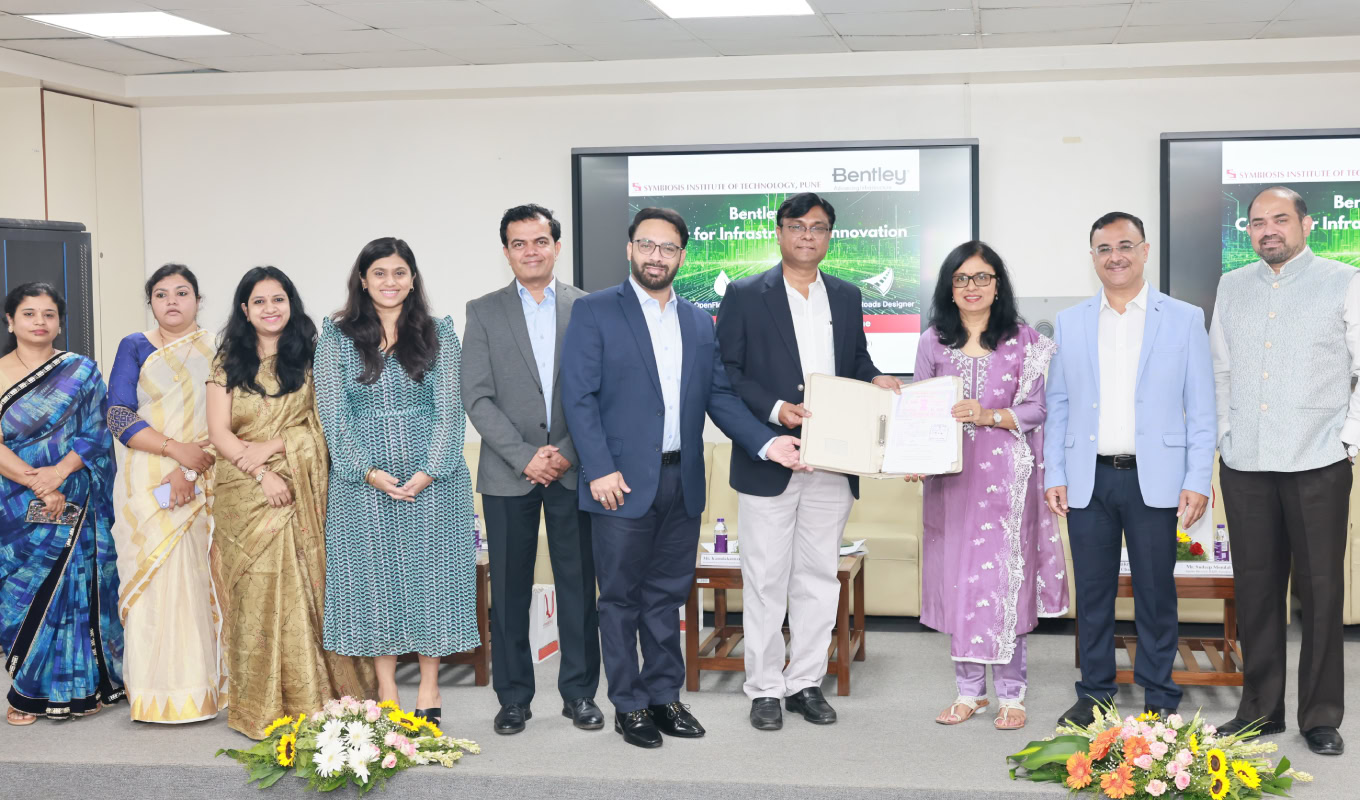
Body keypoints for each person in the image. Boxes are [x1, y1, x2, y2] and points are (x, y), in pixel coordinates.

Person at [560, 207, 807, 749]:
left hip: (682, 480)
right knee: (620, 599)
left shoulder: (699, 320)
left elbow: (719, 396)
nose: (656, 256)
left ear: (682, 256)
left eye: (668, 248)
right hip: (619, 481)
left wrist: (767, 441)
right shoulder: (595, 311)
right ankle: (628, 704)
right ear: (630, 249)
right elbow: (576, 397)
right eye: (646, 245)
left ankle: (663, 695)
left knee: (668, 597)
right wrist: (599, 467)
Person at [714, 192, 902, 731]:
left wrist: (877, 379)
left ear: (829, 236)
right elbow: (728, 373)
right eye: (797, 226)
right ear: (779, 232)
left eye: (818, 228)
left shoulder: (845, 295)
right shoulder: (746, 294)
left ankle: (805, 684)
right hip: (771, 458)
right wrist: (776, 411)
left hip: (834, 459)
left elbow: (857, 359)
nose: (807, 236)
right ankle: (765, 689)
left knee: (820, 577)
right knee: (766, 579)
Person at [1044, 212, 1214, 728]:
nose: (1114, 256)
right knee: (1093, 593)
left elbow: (1202, 407)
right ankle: (1095, 692)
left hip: (1156, 478)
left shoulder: (1183, 318)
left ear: (1144, 251)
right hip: (1087, 477)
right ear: (1092, 256)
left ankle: (1160, 693)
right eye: (1102, 248)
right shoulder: (1070, 322)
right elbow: (1059, 403)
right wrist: (1055, 471)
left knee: (1155, 592)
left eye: (1124, 245)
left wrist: (1197, 478)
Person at [1210, 186, 1358, 756]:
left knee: (1321, 594)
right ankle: (1260, 711)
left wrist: (1348, 439)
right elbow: (1220, 369)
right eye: (1256, 222)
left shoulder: (1345, 280)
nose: (1267, 230)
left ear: (1306, 224)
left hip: (1317, 462)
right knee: (1255, 592)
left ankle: (1320, 716)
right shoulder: (1231, 285)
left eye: (1279, 219)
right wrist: (1225, 434)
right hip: (1245, 462)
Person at [315, 238, 479, 728]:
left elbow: (451, 409)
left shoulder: (439, 333)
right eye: (380, 272)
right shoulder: (337, 335)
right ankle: (386, 687)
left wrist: (430, 469)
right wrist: (366, 470)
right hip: (361, 479)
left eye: (400, 272)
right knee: (374, 581)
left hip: (435, 476)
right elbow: (332, 412)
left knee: (433, 580)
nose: (391, 282)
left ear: (413, 278)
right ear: (362, 279)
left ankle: (429, 688)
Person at [207, 266, 375, 739]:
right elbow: (219, 432)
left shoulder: (313, 356)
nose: (270, 309)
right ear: (245, 310)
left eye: (278, 299)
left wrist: (277, 447)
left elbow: (329, 425)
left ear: (291, 303)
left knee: (308, 589)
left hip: (302, 487)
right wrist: (260, 472)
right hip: (244, 492)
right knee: (256, 593)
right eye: (259, 302)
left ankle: (317, 698)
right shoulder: (227, 362)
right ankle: (261, 703)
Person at [911, 241, 1069, 731]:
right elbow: (918, 406)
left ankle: (1012, 693)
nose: (972, 287)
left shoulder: (1024, 340)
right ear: (949, 288)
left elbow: (1039, 408)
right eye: (962, 278)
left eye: (982, 277)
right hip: (950, 480)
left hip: (1008, 480)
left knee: (1005, 583)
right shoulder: (933, 341)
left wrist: (990, 415)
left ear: (997, 284)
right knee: (961, 582)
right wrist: (912, 454)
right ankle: (967, 692)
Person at [463, 205, 600, 735]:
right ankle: (514, 698)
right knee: (511, 592)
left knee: (577, 586)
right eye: (518, 243)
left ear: (556, 246)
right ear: (506, 252)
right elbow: (476, 396)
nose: (530, 251)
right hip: (507, 472)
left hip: (573, 467)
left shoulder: (588, 308)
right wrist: (525, 455)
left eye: (540, 241)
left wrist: (564, 450)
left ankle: (580, 694)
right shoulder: (483, 310)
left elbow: (597, 391)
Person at [0, 282, 124, 725]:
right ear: (10, 321)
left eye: (49, 314)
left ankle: (75, 687)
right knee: (21, 590)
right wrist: (38, 482)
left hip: (75, 490)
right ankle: (24, 687)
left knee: (73, 587)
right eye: (29, 313)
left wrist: (59, 475)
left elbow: (95, 431)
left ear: (60, 322)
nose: (39, 321)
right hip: (13, 502)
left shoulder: (81, 371)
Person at [108, 264, 223, 724]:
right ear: (150, 302)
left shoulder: (219, 348)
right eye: (161, 294)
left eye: (182, 292)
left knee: (199, 579)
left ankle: (202, 688)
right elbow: (118, 414)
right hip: (146, 476)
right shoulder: (133, 346)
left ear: (198, 299)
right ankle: (153, 696)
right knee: (153, 584)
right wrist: (175, 453)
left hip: (207, 471)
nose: (172, 301)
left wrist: (191, 470)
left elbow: (231, 418)